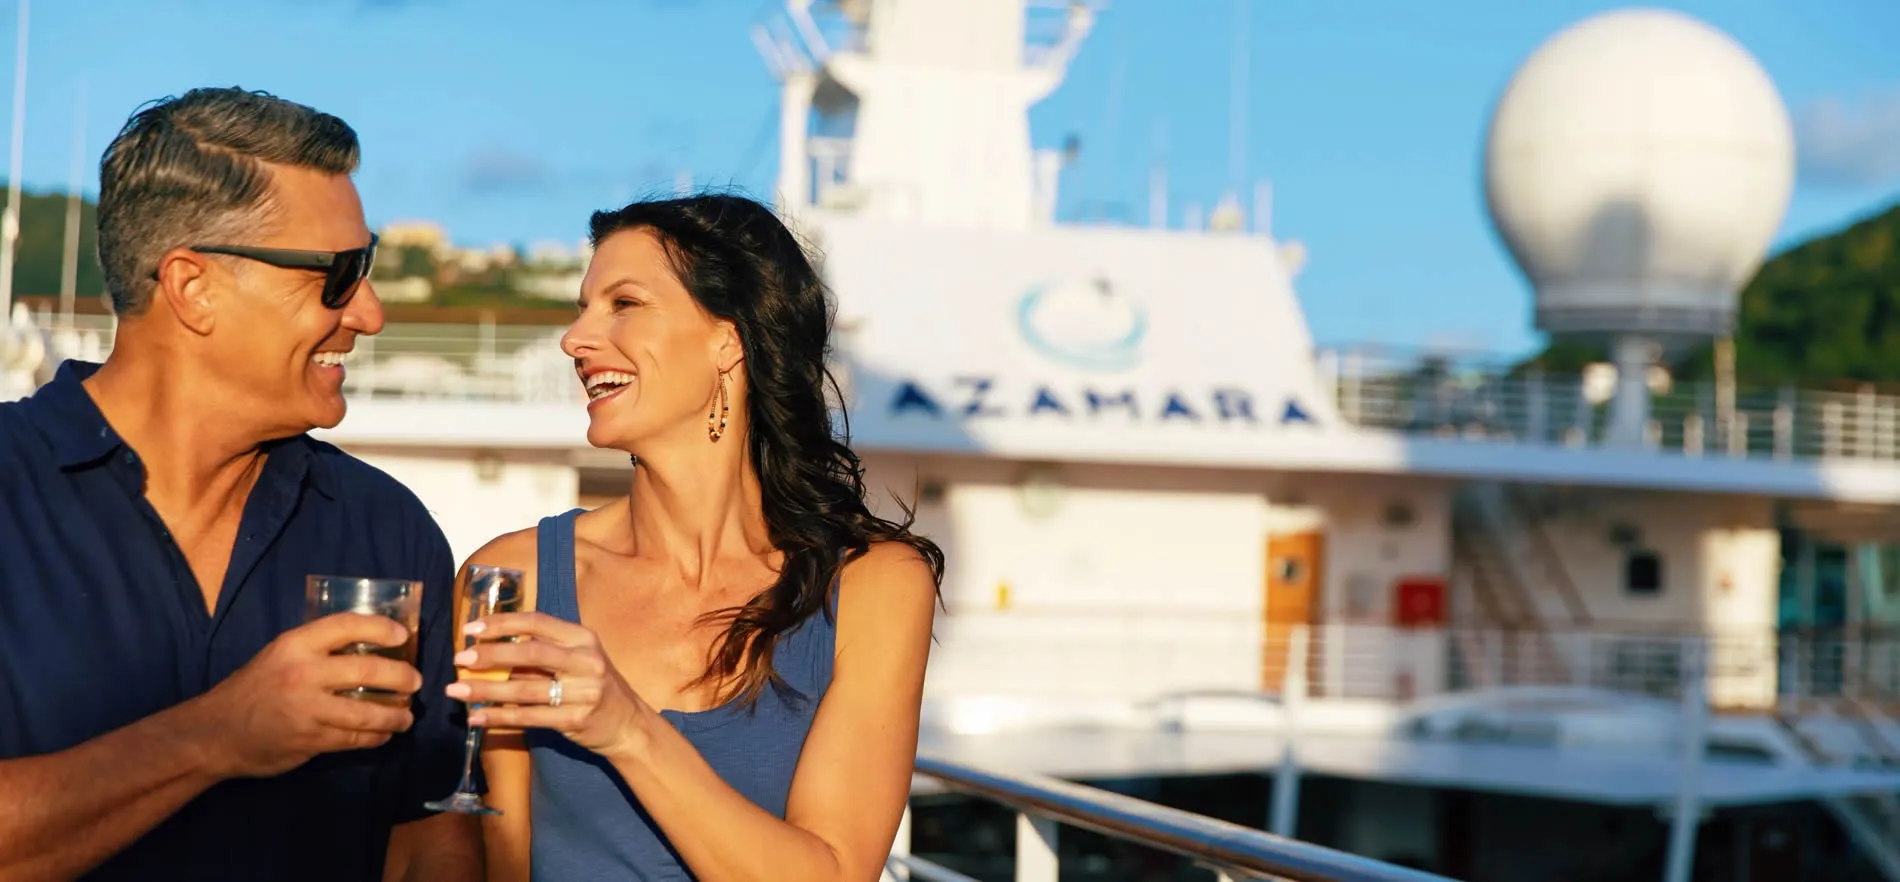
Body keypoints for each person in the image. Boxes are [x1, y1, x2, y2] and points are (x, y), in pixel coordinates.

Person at [0, 88, 481, 880]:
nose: (371, 311)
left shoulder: (385, 529)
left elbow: (427, 835)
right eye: (340, 274)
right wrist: (218, 737)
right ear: (193, 288)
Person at [452, 193, 944, 880]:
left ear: (728, 338)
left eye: (623, 304)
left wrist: (628, 730)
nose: (574, 339)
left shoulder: (873, 584)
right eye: (582, 307)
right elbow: (499, 860)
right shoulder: (513, 577)